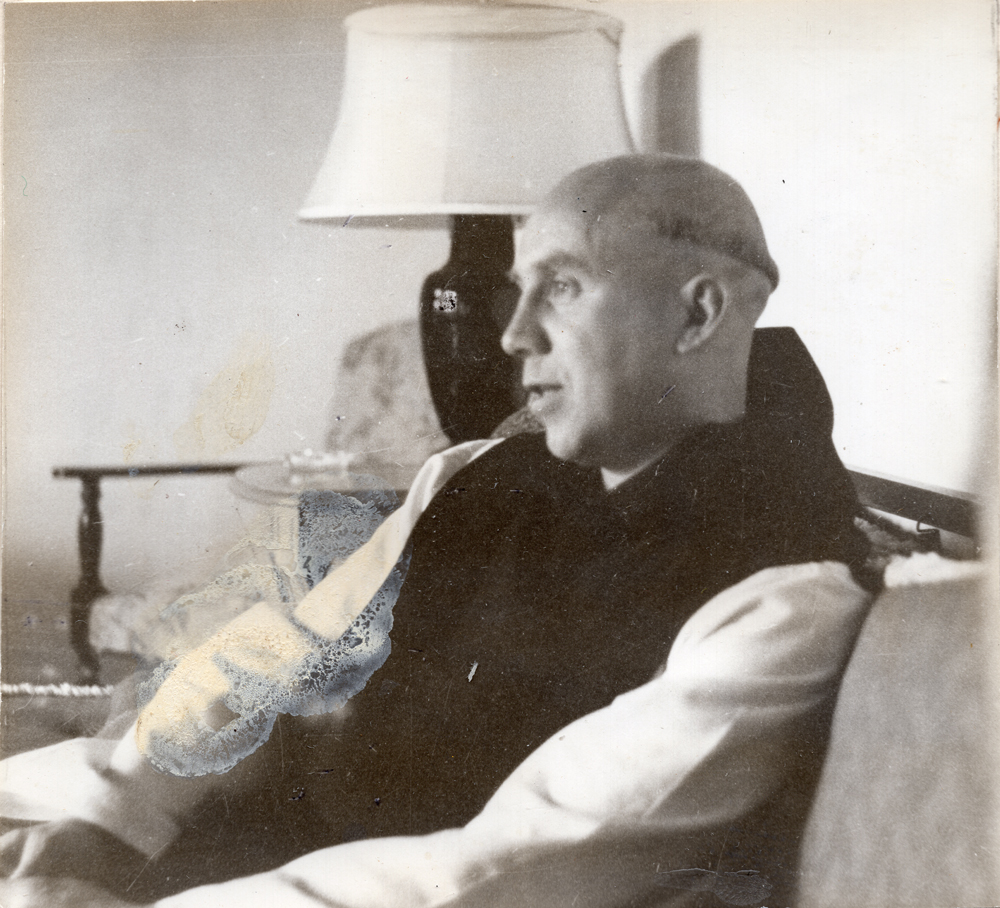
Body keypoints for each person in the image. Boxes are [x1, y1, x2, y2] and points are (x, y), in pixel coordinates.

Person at [0, 154, 875, 908]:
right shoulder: (474, 475)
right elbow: (286, 654)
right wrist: (111, 823)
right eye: (518, 292)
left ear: (699, 314)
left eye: (563, 287)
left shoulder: (785, 591)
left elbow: (500, 870)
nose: (513, 335)